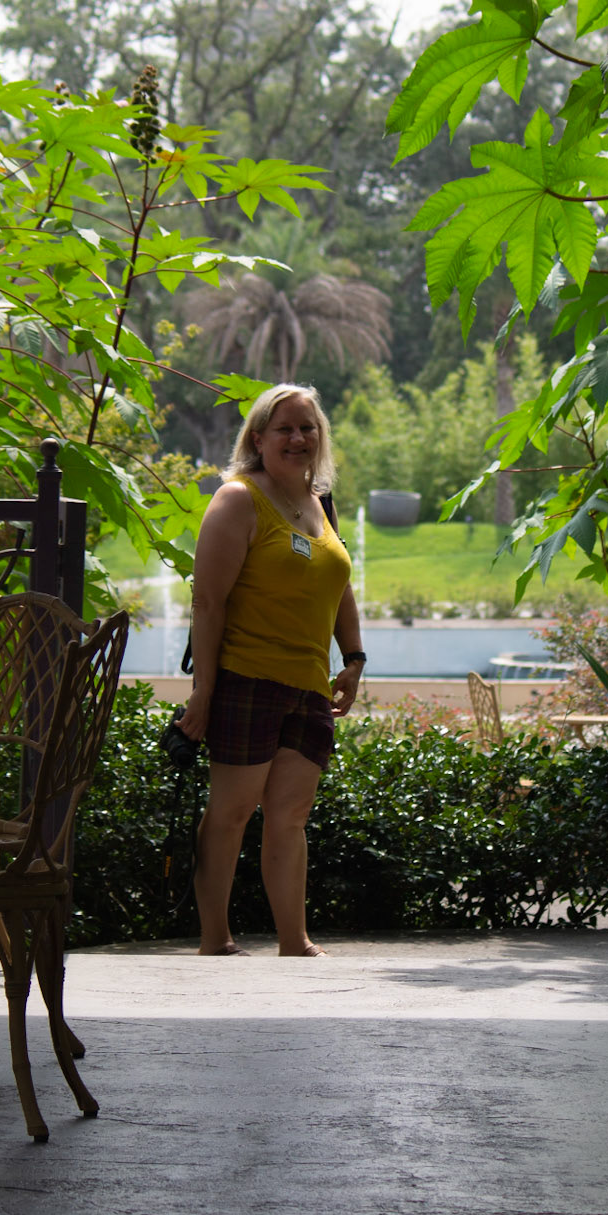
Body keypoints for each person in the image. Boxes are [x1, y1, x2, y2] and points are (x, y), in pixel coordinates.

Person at [176, 382, 365, 955]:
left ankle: (294, 940)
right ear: (258, 439)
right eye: (285, 428)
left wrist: (354, 658)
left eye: (308, 428)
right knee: (231, 812)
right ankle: (215, 939)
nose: (298, 438)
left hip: (309, 688)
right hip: (247, 679)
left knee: (290, 816)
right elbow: (208, 603)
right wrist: (203, 692)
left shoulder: (320, 501)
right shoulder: (238, 499)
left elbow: (339, 585)